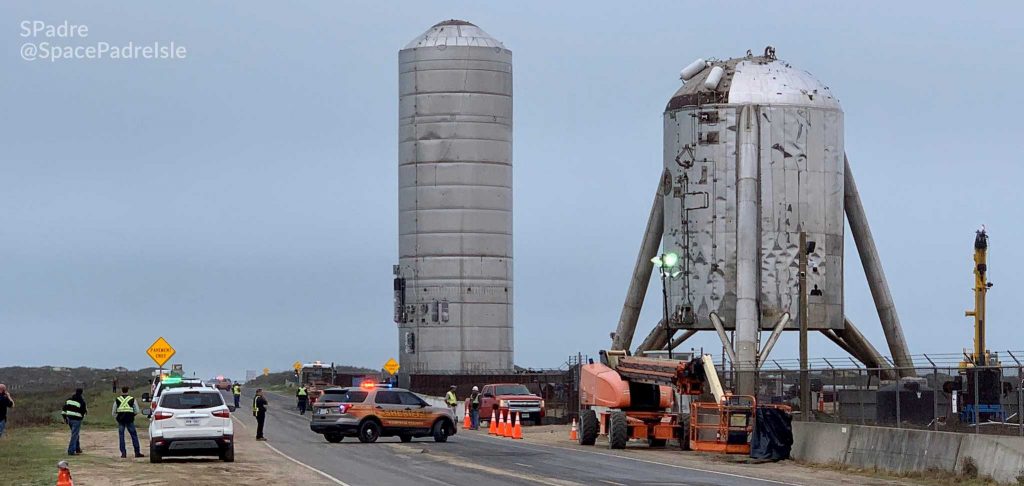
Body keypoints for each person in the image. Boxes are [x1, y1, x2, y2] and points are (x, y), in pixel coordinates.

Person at [111, 386, 144, 458]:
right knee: (134, 436)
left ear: (121, 391)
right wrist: (132, 415)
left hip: (121, 420)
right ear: (128, 391)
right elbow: (137, 411)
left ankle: (123, 453)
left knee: (121, 436)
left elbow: (113, 412)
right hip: (130, 420)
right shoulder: (132, 399)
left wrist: (117, 417)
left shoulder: (117, 399)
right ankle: (137, 452)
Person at [61, 388, 87, 455]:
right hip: (77, 419)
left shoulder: (69, 400)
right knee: (74, 435)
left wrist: (65, 418)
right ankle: (71, 451)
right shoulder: (81, 401)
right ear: (81, 393)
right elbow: (83, 411)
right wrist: (81, 417)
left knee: (75, 434)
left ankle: (77, 449)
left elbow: (64, 410)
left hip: (69, 419)